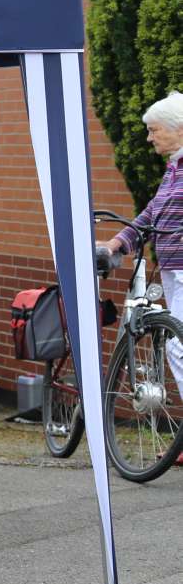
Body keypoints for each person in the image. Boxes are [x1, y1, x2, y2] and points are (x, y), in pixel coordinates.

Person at [100, 92, 183, 400]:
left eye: (154, 130)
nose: (149, 138)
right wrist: (120, 241)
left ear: (180, 129)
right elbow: (153, 212)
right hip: (173, 268)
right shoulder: (175, 167)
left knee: (178, 346)